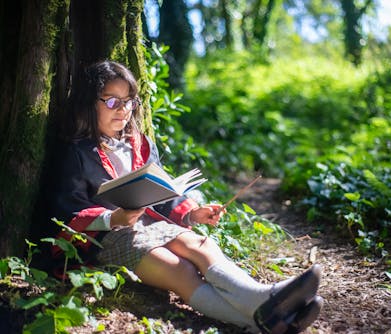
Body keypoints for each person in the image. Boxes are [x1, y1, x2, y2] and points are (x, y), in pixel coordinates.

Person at [47, 60, 323, 334]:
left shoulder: (140, 144)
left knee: (198, 243)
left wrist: (192, 214)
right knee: (179, 270)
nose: (123, 110)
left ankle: (263, 297)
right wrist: (113, 217)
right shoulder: (76, 152)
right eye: (111, 102)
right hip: (108, 237)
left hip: (151, 224)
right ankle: (261, 320)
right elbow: (67, 210)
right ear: (89, 103)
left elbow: (160, 190)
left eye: (129, 101)